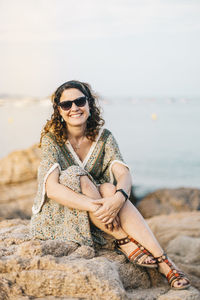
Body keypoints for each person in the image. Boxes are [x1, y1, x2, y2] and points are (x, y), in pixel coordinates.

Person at [30, 80, 190, 290]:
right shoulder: (53, 140)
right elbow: (52, 188)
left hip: (99, 215)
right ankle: (124, 240)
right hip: (62, 212)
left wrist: (118, 198)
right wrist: (98, 206)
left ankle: (164, 262)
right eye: (66, 105)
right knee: (76, 174)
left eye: (79, 101)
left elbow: (123, 172)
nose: (74, 108)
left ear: (89, 104)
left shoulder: (104, 137)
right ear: (59, 110)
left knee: (107, 188)